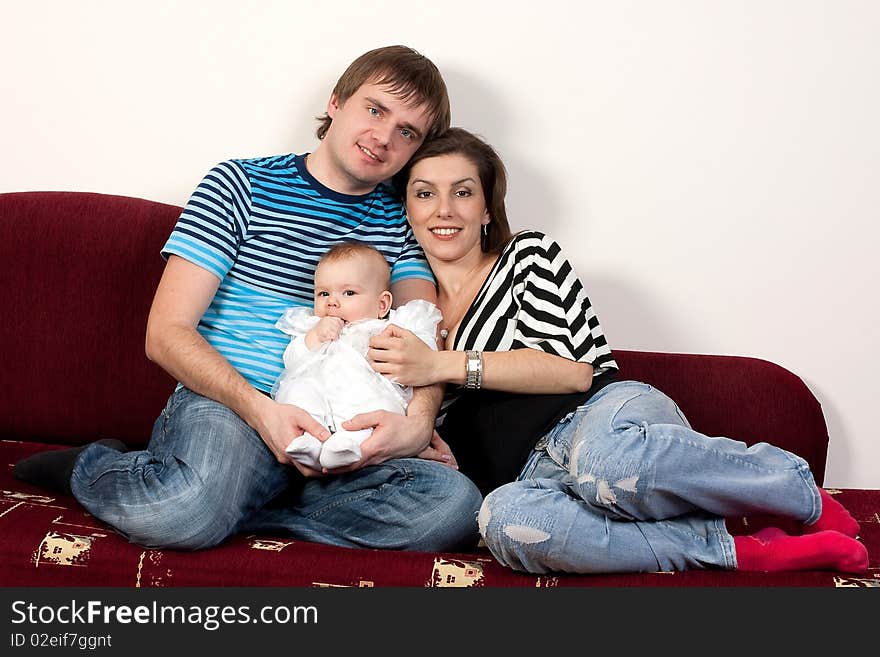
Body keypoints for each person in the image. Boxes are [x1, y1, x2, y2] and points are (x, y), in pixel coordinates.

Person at [13, 46, 482, 552]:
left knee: (452, 507)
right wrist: (264, 412)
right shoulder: (239, 184)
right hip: (233, 409)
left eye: (407, 131)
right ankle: (95, 467)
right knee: (181, 513)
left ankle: (233, 507)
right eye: (375, 109)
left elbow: (420, 334)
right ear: (337, 101)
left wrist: (415, 426)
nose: (384, 137)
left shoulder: (400, 220)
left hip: (341, 430)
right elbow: (165, 334)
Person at [365, 126, 868, 574]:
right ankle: (740, 550)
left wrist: (440, 364)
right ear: (406, 208)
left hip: (599, 418)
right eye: (425, 193)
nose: (444, 210)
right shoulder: (401, 312)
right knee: (504, 523)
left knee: (606, 467)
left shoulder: (528, 255)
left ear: (487, 206)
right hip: (527, 479)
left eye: (463, 192)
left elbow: (571, 372)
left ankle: (797, 490)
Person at [275, 241, 442, 470]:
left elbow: (419, 356)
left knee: (375, 404)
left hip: (366, 389)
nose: (332, 301)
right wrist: (314, 338)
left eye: (349, 292)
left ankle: (349, 444)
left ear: (382, 304)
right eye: (323, 293)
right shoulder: (312, 327)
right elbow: (292, 361)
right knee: (298, 392)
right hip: (319, 390)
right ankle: (309, 442)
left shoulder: (384, 328)